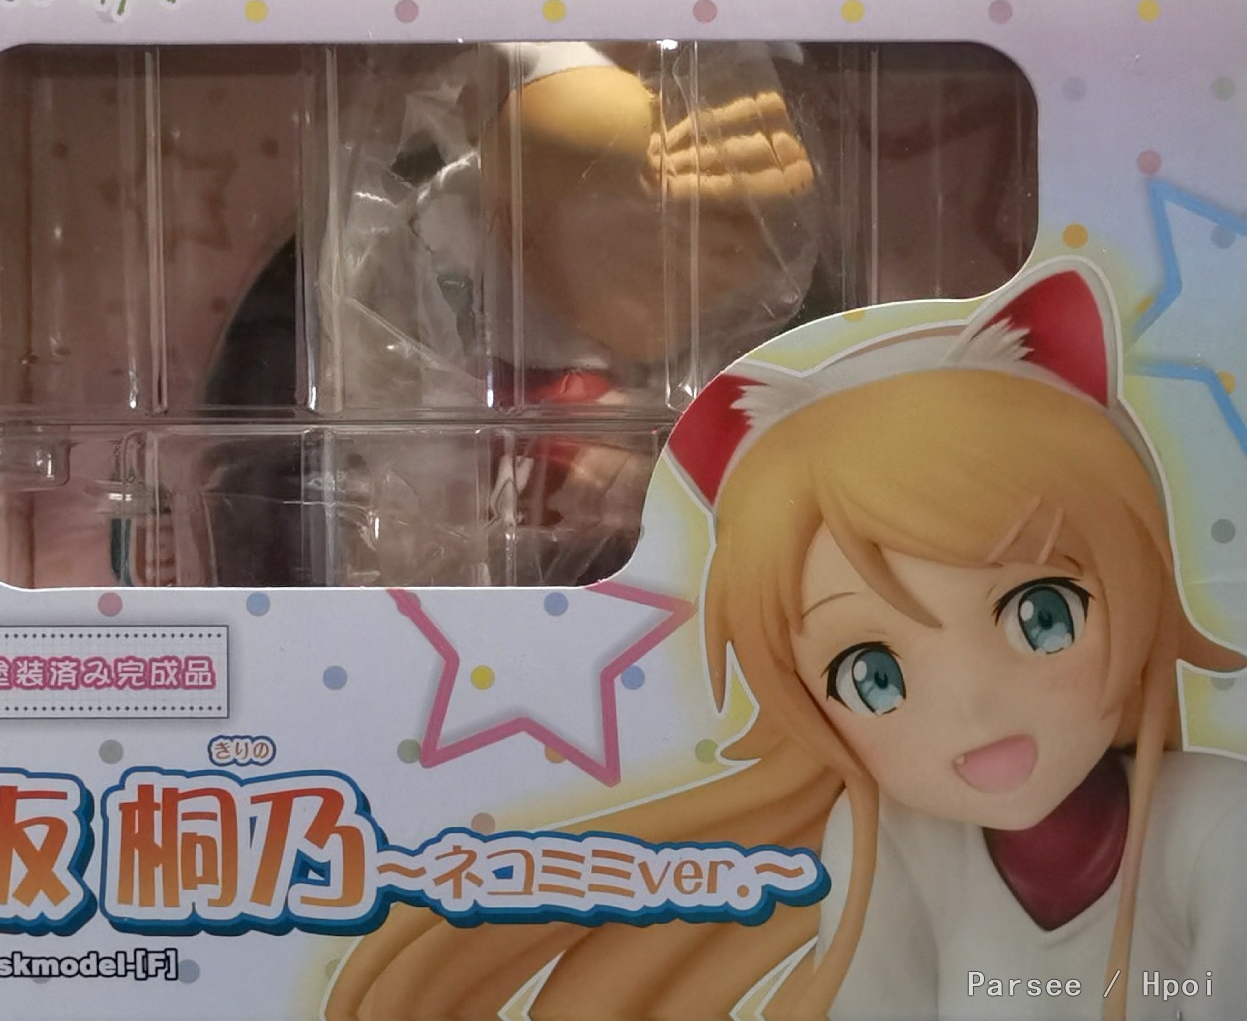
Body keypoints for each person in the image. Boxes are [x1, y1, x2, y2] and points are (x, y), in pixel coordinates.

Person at [325, 261, 1246, 1020]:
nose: (973, 703)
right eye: (873, 675)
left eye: (1043, 616)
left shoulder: (1214, 827)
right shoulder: (892, 846)